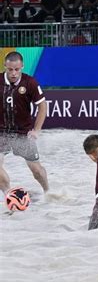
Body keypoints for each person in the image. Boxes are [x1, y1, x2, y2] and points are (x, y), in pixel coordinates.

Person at [0, 52, 49, 195]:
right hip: (1, 132)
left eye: (17, 69)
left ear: (22, 66)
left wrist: (37, 130)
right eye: (10, 70)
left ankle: (47, 191)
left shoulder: (30, 82)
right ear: (5, 67)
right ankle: (9, 195)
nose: (14, 73)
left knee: (37, 171)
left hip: (23, 133)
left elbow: (43, 106)